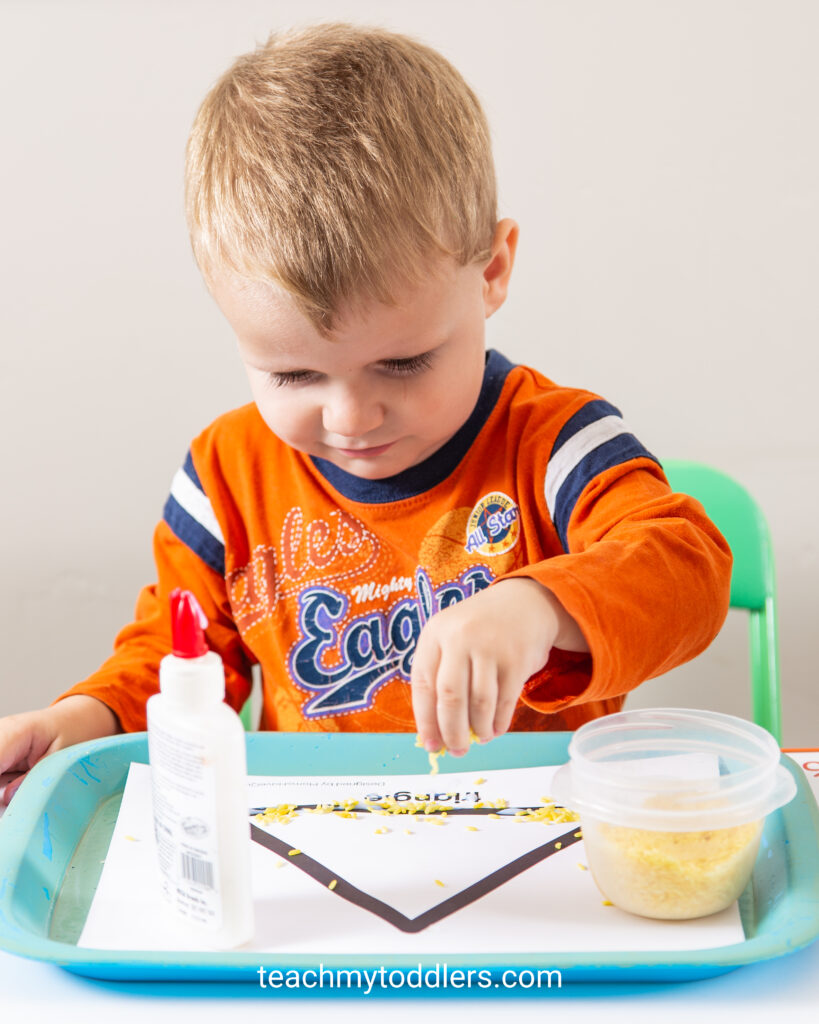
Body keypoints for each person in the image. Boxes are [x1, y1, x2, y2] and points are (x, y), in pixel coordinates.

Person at [0, 23, 731, 804]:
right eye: (291, 375)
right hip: (313, 841)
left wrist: (536, 606)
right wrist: (79, 719)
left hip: (538, 831)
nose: (351, 418)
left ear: (491, 270)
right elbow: (176, 662)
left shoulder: (554, 444)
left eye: (403, 363)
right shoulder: (223, 477)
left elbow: (686, 570)